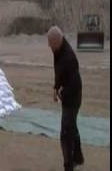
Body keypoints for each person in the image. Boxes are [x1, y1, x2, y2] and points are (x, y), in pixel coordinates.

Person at [47, 26, 84, 171]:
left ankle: (68, 166)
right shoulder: (58, 51)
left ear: (57, 41)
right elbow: (59, 72)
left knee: (66, 133)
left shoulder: (69, 57)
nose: (49, 46)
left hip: (73, 99)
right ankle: (78, 157)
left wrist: (62, 93)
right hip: (67, 96)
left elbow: (76, 84)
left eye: (50, 43)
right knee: (72, 127)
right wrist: (55, 87)